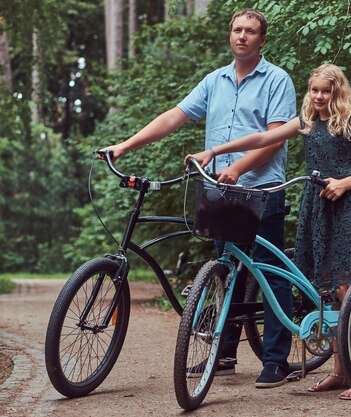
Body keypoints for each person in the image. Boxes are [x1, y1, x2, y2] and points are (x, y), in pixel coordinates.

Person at [100, 8, 297, 389]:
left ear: (262, 40)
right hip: (218, 190)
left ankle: (276, 359)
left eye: (250, 31)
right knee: (225, 271)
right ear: (230, 35)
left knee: (270, 273)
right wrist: (125, 146)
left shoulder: (277, 79)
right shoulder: (215, 80)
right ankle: (223, 355)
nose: (242, 36)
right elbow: (175, 116)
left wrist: (238, 168)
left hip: (261, 190)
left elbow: (276, 138)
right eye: (236, 29)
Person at [186, 63, 351, 400]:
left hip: (346, 207)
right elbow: (265, 137)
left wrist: (345, 183)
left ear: (338, 92)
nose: (320, 96)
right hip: (317, 208)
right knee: (326, 288)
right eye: (315, 90)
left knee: (346, 288)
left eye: (327, 91)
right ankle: (340, 372)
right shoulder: (308, 121)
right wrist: (216, 151)